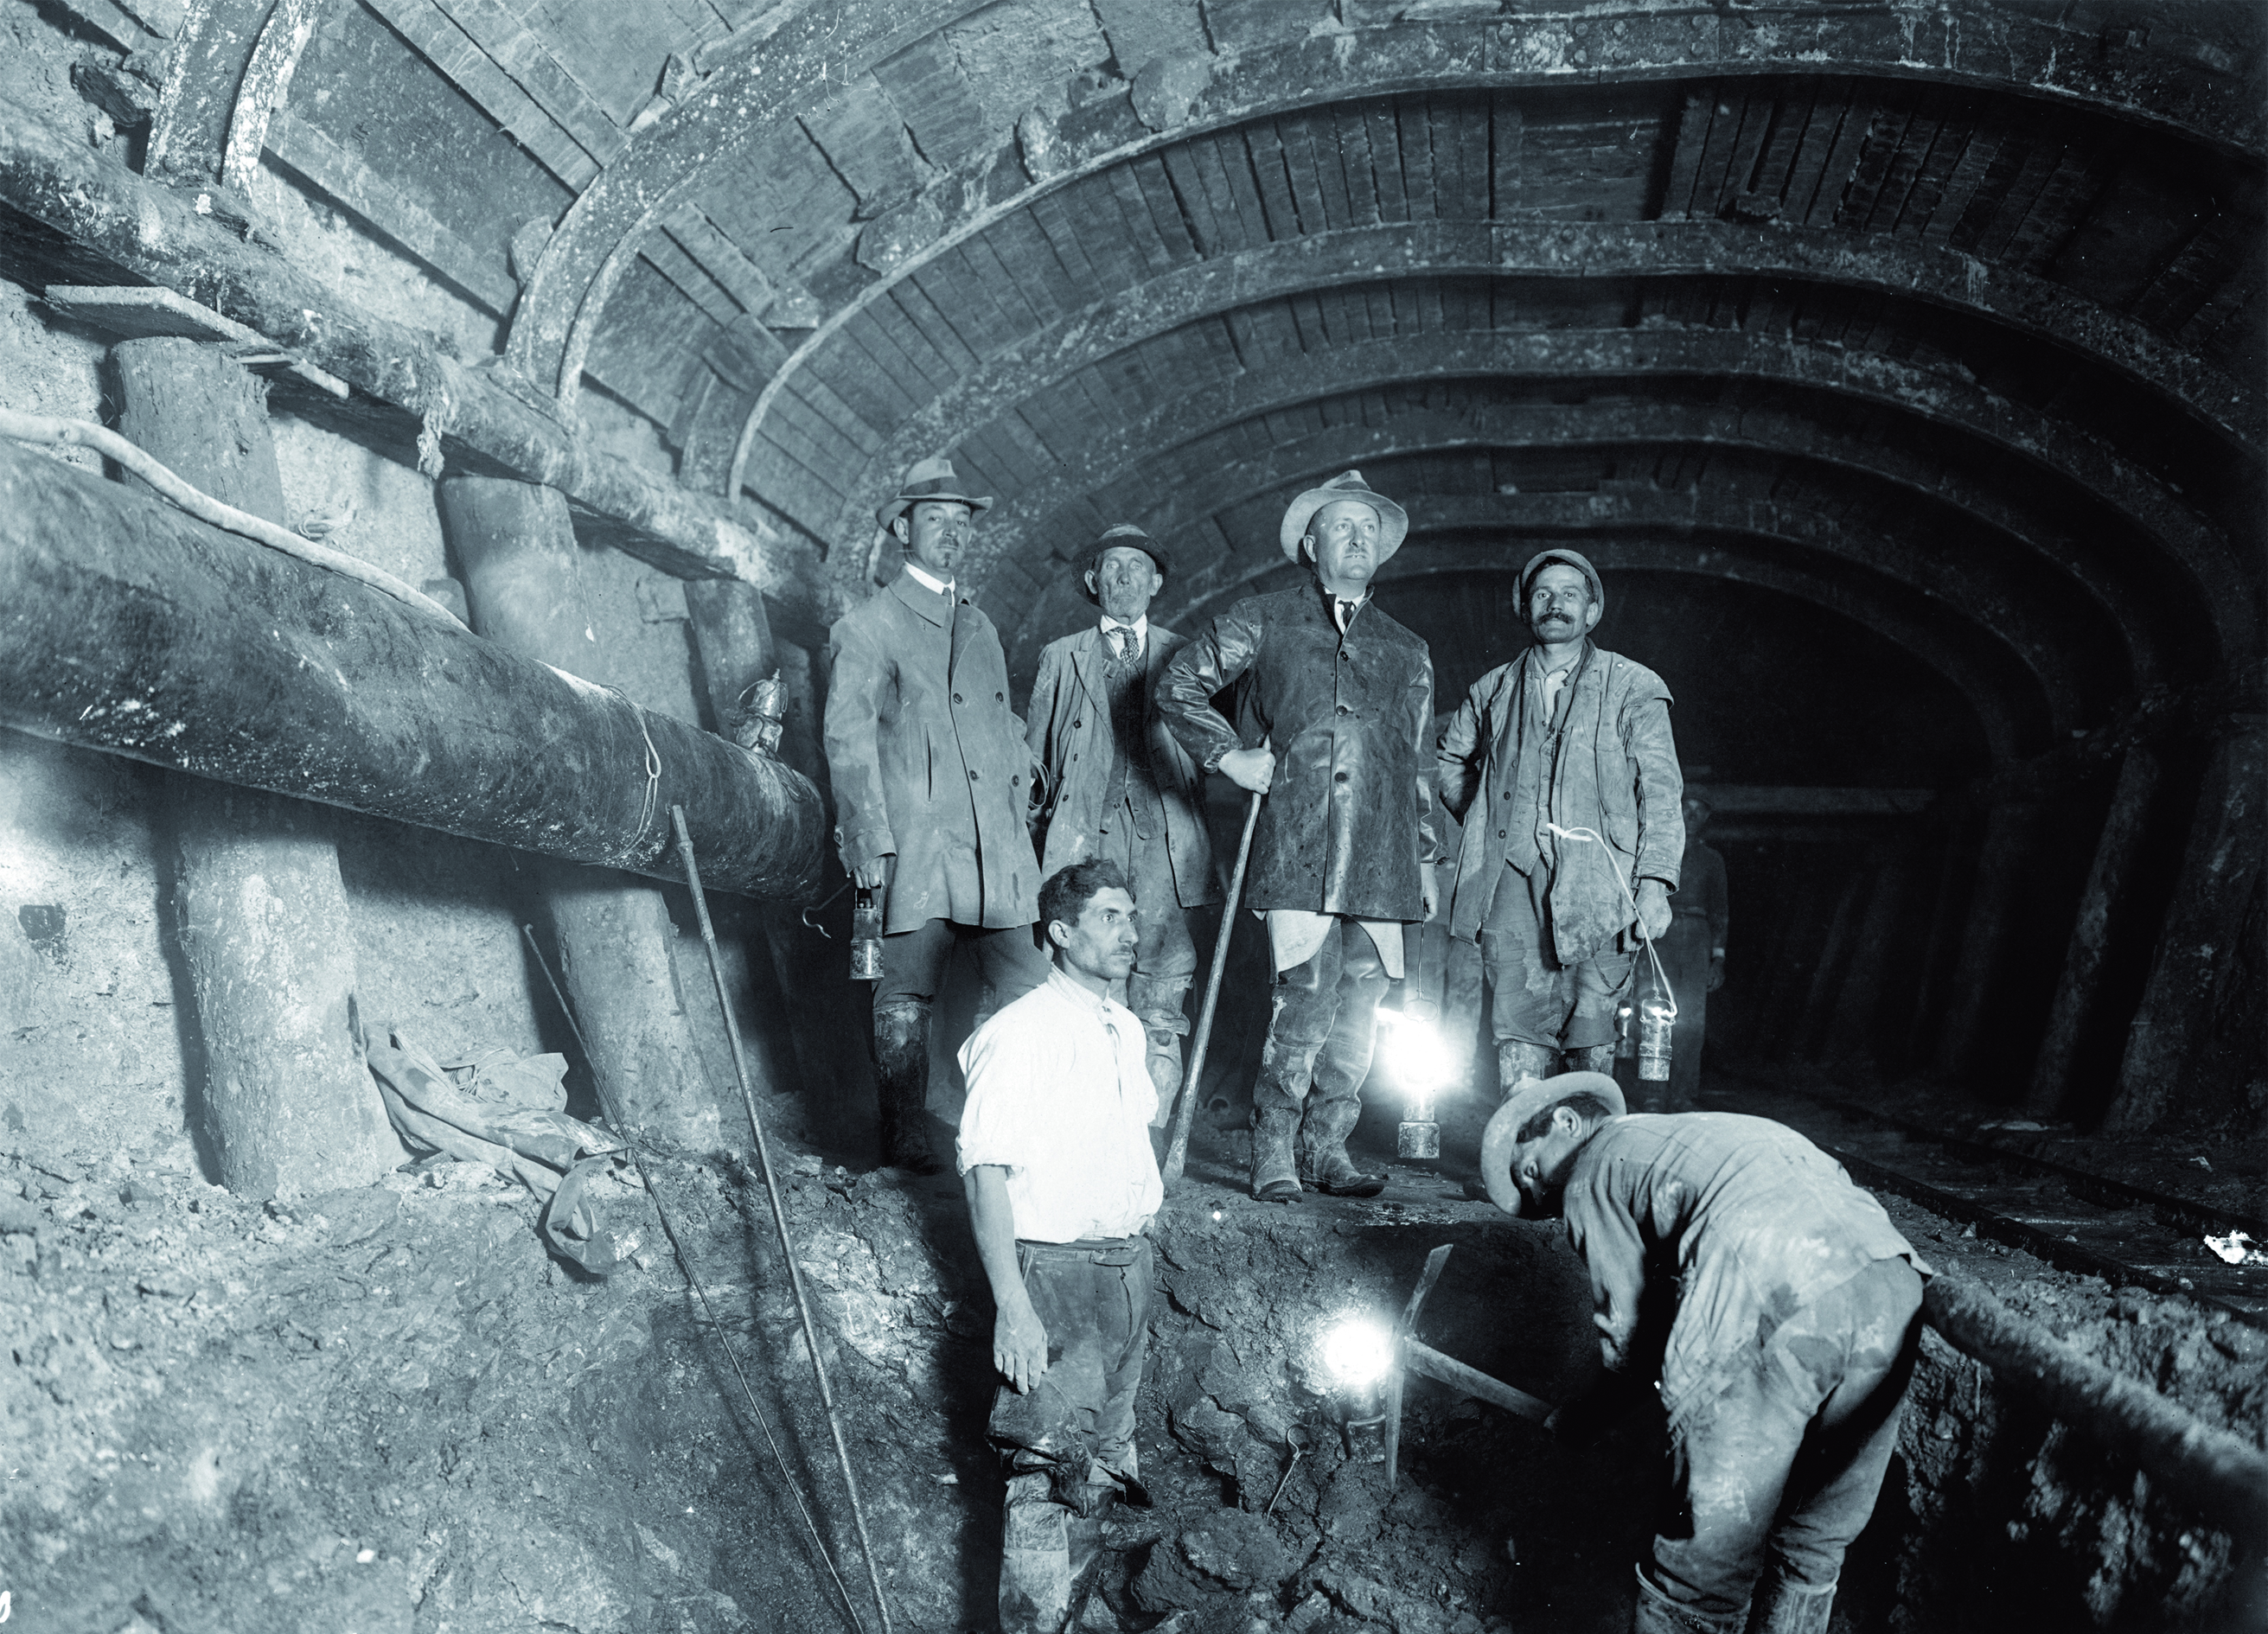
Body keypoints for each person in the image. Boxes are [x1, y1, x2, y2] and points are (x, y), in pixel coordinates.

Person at [1479, 1075, 1928, 1634]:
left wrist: (1586, 1417)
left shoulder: (1591, 1170)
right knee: (1811, 1544)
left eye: (1529, 1170)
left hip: (1771, 1285)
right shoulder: (1699, 1134)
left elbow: (1629, 1340)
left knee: (1701, 1568)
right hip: (1892, 1280)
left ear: (1566, 1123)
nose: (1539, 1193)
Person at [1160, 470, 1442, 1202]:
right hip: (1299, 844)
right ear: (1310, 541)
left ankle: (1327, 1149)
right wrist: (1228, 754)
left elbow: (1416, 765)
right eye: (1342, 526)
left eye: (1369, 530)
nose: (1357, 539)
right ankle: (1274, 1149)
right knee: (1304, 998)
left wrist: (1427, 856)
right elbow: (1177, 682)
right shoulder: (1264, 618)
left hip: (1382, 859)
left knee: (1361, 1009)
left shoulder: (1407, 649)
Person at [824, 456, 1049, 1173]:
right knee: (904, 996)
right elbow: (847, 739)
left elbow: (995, 722)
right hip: (919, 844)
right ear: (900, 529)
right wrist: (865, 835)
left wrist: (1027, 776)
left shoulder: (979, 625)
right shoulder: (867, 626)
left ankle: (1018, 1131)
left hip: (994, 845)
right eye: (934, 521)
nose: (951, 535)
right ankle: (904, 1137)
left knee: (1031, 991)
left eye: (961, 524)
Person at [958, 859, 1161, 1634]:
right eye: (1110, 917)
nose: (1130, 933)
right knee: (1047, 1477)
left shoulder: (1125, 1027)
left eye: (1131, 917)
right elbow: (986, 1179)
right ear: (1060, 933)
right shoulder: (1018, 1035)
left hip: (1125, 1270)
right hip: (1058, 1278)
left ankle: (1070, 1621)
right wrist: (1014, 1309)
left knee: (1102, 1464)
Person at [1435, 548, 1683, 1096]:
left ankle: (1585, 1154)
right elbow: (1450, 760)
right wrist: (1484, 820)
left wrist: (1656, 885)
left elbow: (1661, 792)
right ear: (1527, 609)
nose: (1556, 604)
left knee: (1592, 1023)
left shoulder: (1633, 686)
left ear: (1592, 611)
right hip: (1512, 878)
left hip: (1604, 882)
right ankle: (1525, 1156)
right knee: (1517, 1023)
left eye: (1571, 594)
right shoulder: (1492, 689)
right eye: (1543, 594)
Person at [1025, 525, 1217, 1117]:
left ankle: (1149, 1134)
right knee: (1084, 982)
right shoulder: (1061, 657)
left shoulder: (1188, 655)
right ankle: (1081, 1130)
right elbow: (1032, 764)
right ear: (1093, 581)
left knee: (1160, 993)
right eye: (1112, 567)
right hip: (1085, 844)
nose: (1125, 577)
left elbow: (1215, 754)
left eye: (1138, 567)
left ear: (1156, 582)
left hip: (1165, 845)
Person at [1632, 793, 1728, 1113]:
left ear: (1706, 819)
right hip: (1661, 935)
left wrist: (1718, 957)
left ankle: (1683, 1095)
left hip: (1696, 940)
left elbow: (1721, 912)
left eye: (1700, 811)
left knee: (1691, 1022)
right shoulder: (1657, 853)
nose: (1692, 815)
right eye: (1686, 809)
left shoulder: (1712, 860)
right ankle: (1652, 1094)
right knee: (1654, 1016)